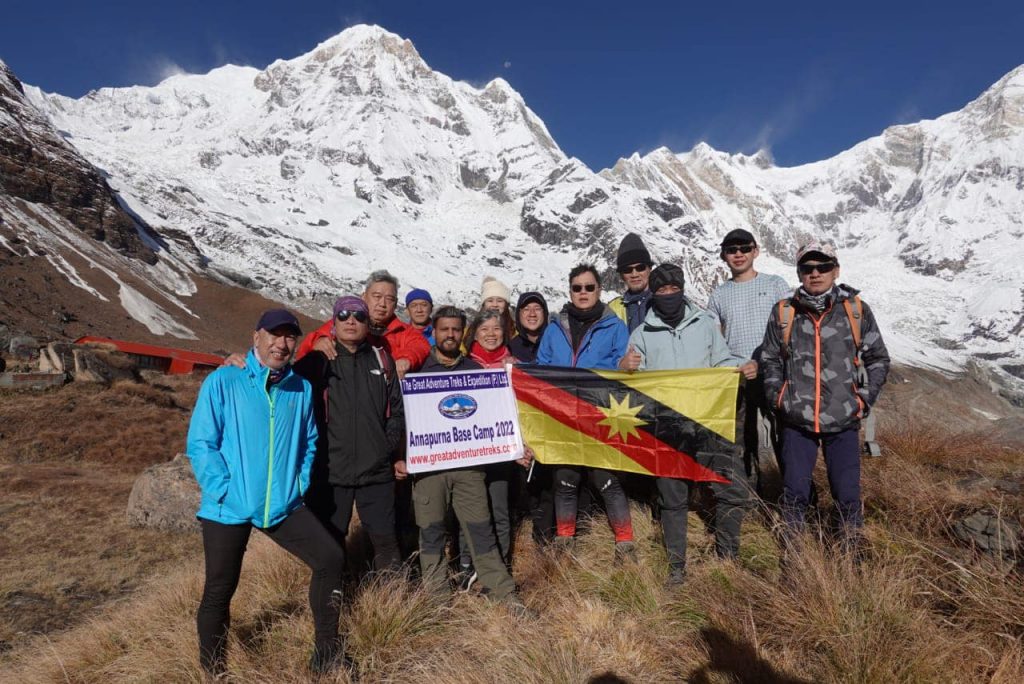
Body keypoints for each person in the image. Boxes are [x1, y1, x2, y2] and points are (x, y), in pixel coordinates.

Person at [187, 309, 346, 676]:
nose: (282, 343)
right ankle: (214, 673)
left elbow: (309, 441)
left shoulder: (299, 388)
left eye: (290, 336)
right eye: (274, 335)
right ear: (256, 337)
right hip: (227, 507)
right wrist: (223, 490)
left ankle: (326, 653)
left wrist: (299, 484)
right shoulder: (225, 380)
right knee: (219, 590)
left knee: (331, 558)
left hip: (281, 504)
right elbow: (201, 443)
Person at [620, 265, 757, 585]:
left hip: (709, 421)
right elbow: (634, 383)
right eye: (662, 291)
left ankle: (728, 558)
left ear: (682, 290)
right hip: (668, 429)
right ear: (654, 294)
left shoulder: (705, 325)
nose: (668, 295)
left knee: (730, 488)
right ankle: (677, 568)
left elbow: (721, 362)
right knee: (672, 498)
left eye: (673, 289)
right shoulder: (641, 334)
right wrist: (624, 367)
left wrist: (740, 368)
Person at [760, 242, 890, 553]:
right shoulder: (784, 312)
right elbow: (770, 359)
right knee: (794, 492)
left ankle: (851, 553)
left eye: (823, 267)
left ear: (836, 270)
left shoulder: (856, 310)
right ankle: (793, 554)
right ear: (799, 273)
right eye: (808, 268)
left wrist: (863, 400)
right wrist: (779, 398)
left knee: (846, 492)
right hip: (797, 420)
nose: (815, 273)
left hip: (843, 419)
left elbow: (878, 359)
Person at [412, 305, 528, 613]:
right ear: (434, 332)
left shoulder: (475, 372)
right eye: (443, 329)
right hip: (429, 469)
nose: (449, 335)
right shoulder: (417, 370)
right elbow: (402, 417)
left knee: (481, 530)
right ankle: (437, 601)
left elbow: (497, 417)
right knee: (432, 533)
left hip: (469, 469)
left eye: (455, 330)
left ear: (462, 333)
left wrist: (513, 447)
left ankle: (504, 594)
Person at [293, 296, 405, 572]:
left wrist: (384, 449)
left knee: (386, 543)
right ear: (333, 322)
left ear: (368, 323)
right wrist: (237, 363)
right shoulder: (316, 363)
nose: (351, 321)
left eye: (358, 316)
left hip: (376, 473)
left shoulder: (382, 360)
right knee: (329, 544)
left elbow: (397, 413)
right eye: (343, 315)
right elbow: (278, 382)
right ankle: (333, 605)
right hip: (330, 473)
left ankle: (393, 605)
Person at [535, 264, 635, 560]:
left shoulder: (615, 326)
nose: (583, 293)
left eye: (589, 287)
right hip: (562, 414)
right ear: (570, 291)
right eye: (577, 287)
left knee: (607, 479)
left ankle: (625, 543)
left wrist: (624, 367)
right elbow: (541, 366)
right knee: (565, 478)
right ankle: (565, 542)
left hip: (599, 413)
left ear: (599, 291)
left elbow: (623, 367)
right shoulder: (555, 327)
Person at [706, 229, 791, 491]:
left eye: (744, 248)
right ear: (724, 255)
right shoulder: (719, 294)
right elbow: (711, 337)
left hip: (774, 375)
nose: (739, 254)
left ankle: (794, 497)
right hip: (736, 378)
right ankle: (748, 500)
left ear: (756, 251)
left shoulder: (775, 284)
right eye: (732, 250)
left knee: (785, 439)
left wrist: (769, 362)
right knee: (742, 442)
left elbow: (788, 329)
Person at [297, 270, 430, 376]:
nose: (382, 304)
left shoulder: (403, 331)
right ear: (364, 297)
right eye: (377, 296)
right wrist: (318, 341)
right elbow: (310, 343)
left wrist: (406, 359)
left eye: (389, 299)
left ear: (395, 304)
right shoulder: (346, 321)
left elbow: (420, 345)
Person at [608, 233, 654, 333]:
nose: (634, 274)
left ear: (649, 269)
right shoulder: (612, 309)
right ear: (621, 275)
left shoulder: (665, 300)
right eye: (627, 270)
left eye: (640, 268)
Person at [508, 291, 548, 363]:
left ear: (544, 313)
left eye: (537, 308)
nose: (532, 314)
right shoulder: (510, 349)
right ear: (519, 314)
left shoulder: (554, 344)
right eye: (526, 309)